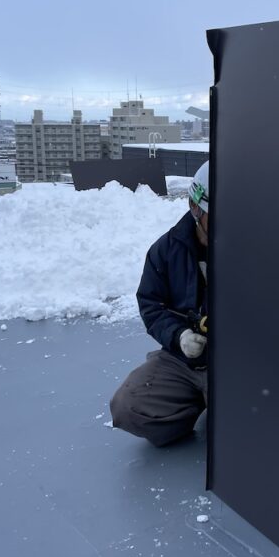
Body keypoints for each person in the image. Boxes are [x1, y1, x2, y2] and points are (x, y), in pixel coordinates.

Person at [109, 161, 210, 446]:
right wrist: (179, 336)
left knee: (251, 424)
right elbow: (151, 305)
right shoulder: (166, 250)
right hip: (181, 360)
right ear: (195, 207)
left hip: (234, 364)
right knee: (128, 407)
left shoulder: (251, 252)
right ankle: (192, 407)